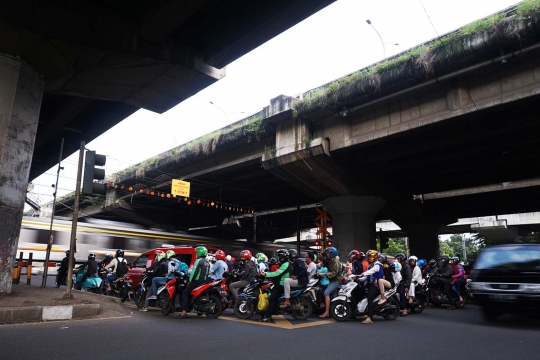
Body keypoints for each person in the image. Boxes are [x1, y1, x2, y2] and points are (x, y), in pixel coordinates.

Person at [177, 246, 211, 319]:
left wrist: (190, 280)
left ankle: (184, 312)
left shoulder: (198, 260)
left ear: (200, 252)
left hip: (197, 280)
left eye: (197, 252)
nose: (196, 253)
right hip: (204, 281)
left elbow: (194, 272)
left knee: (185, 292)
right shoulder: (207, 262)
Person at [259, 249, 290, 323]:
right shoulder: (284, 263)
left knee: (272, 298)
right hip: (279, 283)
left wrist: (266, 274)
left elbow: (276, 273)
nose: (279, 258)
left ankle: (267, 317)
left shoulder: (286, 264)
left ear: (283, 256)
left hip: (281, 284)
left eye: (279, 256)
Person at [359, 250, 385, 324]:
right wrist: (357, 278)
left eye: (369, 256)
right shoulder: (370, 266)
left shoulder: (377, 265)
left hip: (376, 286)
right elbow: (367, 276)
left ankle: (369, 317)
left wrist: (362, 274)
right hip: (369, 284)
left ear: (373, 257)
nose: (367, 258)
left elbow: (371, 272)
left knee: (370, 297)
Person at [317, 246, 343, 318]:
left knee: (326, 293)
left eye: (328, 253)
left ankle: (327, 312)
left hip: (336, 281)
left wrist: (323, 274)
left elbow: (333, 273)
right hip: (331, 280)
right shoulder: (331, 261)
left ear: (332, 253)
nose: (327, 254)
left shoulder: (336, 262)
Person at [395, 252, 411, 316]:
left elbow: (408, 277)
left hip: (403, 283)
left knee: (402, 294)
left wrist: (407, 286)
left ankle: (405, 310)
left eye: (398, 259)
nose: (397, 260)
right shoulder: (398, 266)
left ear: (402, 259)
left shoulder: (406, 266)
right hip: (398, 282)